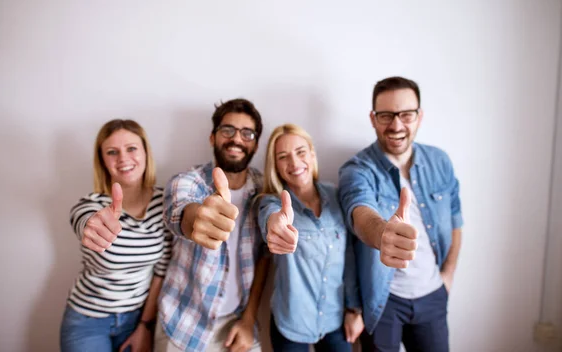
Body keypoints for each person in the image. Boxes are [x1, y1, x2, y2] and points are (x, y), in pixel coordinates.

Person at [338, 77, 463, 352]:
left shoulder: (440, 161)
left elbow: (456, 218)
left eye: (406, 114)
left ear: (419, 116)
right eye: (386, 115)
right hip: (384, 302)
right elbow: (359, 212)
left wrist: (449, 275)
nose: (396, 125)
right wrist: (382, 233)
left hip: (433, 295)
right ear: (373, 118)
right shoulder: (356, 170)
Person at [156, 98, 270, 352]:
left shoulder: (263, 190)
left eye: (247, 133)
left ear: (256, 143)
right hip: (182, 325)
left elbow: (264, 256)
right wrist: (196, 219)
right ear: (212, 137)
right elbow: (180, 209)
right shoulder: (187, 181)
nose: (236, 139)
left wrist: (249, 319)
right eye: (227, 130)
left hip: (238, 324)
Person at [61, 119, 173, 352]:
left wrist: (144, 326)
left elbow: (160, 273)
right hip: (87, 320)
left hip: (136, 321)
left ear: (145, 152)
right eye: (112, 152)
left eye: (131, 148)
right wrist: (91, 225)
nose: (123, 159)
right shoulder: (92, 205)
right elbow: (83, 219)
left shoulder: (166, 204)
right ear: (103, 161)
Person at [257, 123, 364, 352]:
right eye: (283, 156)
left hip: (335, 320)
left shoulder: (336, 195)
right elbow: (269, 218)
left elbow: (349, 257)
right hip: (291, 323)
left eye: (300, 152)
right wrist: (274, 226)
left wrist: (354, 309)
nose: (294, 163)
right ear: (275, 165)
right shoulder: (272, 202)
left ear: (312, 155)